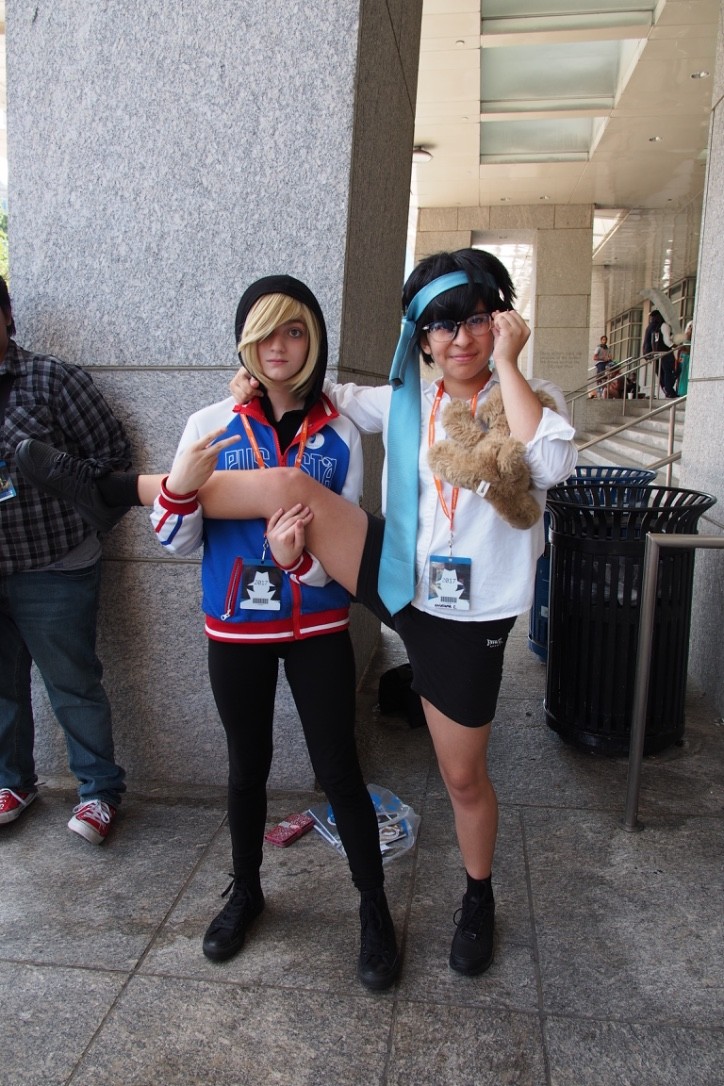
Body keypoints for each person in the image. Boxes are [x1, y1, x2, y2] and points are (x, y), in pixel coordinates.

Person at [17, 249, 578, 977]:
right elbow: (317, 389)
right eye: (442, 326)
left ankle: (478, 897)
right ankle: (111, 487)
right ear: (421, 338)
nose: (460, 339)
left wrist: (509, 361)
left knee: (462, 776)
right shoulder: (404, 403)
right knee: (285, 482)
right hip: (396, 579)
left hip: (466, 618)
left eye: (475, 321)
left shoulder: (531, 401)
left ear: (500, 321)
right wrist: (252, 386)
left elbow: (549, 462)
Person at [0, 276, 129, 844]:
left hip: (54, 563)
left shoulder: (50, 380)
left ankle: (99, 790)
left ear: (7, 316)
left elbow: (112, 456)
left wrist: (68, 495)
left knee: (72, 683)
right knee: (2, 686)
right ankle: (12, 782)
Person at [643, 309, 677, 398]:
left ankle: (667, 390)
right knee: (670, 372)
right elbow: (667, 341)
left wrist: (647, 354)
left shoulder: (650, 327)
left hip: (655, 354)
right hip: (665, 353)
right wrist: (677, 346)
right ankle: (669, 390)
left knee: (661, 373)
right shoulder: (663, 325)